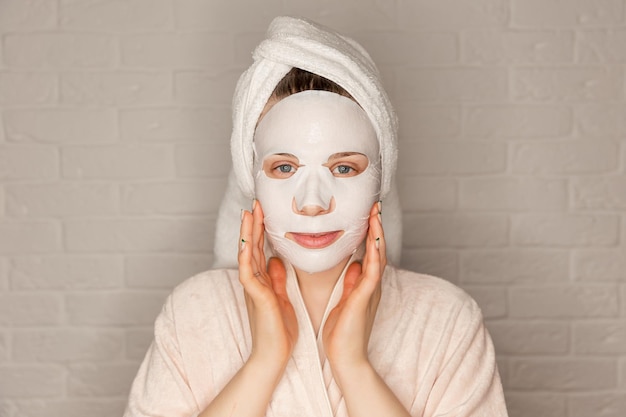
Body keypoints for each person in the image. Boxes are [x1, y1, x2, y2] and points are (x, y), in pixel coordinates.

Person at [124, 16, 508, 417]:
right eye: (284, 168)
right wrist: (263, 363)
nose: (311, 203)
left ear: (380, 179)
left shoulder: (446, 319)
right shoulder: (194, 311)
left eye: (343, 168)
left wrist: (353, 366)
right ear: (252, 181)